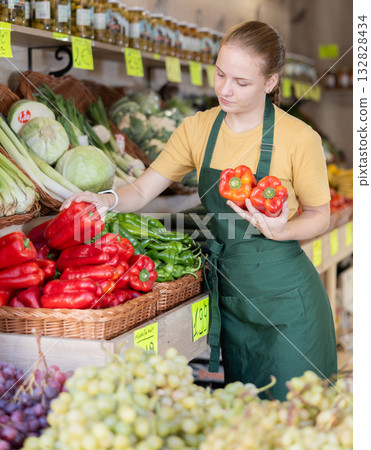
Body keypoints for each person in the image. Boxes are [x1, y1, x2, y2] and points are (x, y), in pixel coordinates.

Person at [62, 20, 337, 400]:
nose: (225, 89)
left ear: (271, 82)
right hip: (230, 298)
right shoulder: (198, 129)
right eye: (220, 74)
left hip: (288, 304)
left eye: (241, 82)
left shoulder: (298, 138)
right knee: (243, 421)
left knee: (297, 419)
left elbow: (320, 215)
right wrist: (105, 199)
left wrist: (282, 229)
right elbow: (143, 189)